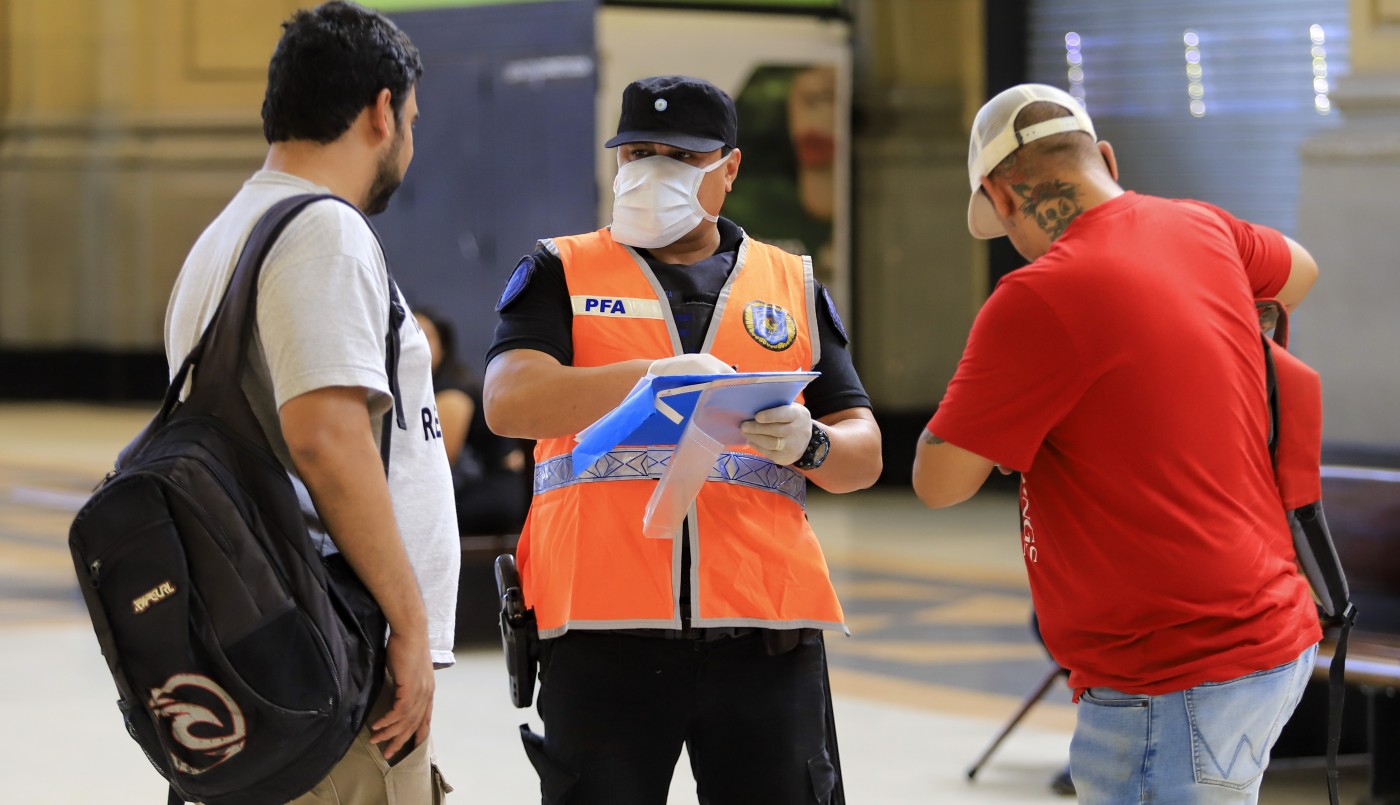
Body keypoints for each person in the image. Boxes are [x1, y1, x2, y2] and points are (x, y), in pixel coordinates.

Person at [911, 83, 1322, 804]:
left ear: (1002, 200)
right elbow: (1301, 269)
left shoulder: (1036, 297)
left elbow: (939, 479)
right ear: (1104, 155)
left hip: (1172, 677)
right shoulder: (1204, 228)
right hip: (1269, 633)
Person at [484, 74, 882, 804]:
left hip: (764, 638)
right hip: (602, 636)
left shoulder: (787, 285)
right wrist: (653, 376)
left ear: (728, 169)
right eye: (638, 150)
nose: (653, 170)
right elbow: (508, 401)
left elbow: (864, 452)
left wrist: (813, 442)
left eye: (681, 155)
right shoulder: (560, 270)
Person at [163, 3, 457, 801]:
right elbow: (327, 437)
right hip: (336, 665)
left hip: (266, 656)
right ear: (381, 110)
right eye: (412, 120)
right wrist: (411, 621)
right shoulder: (322, 231)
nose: (410, 143)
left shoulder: (230, 233)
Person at [414, 308, 529, 536]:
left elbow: (438, 461)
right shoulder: (420, 388)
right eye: (407, 335)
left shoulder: (453, 390)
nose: (414, 344)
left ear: (443, 345)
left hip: (491, 490)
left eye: (424, 336)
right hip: (472, 484)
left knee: (411, 518)